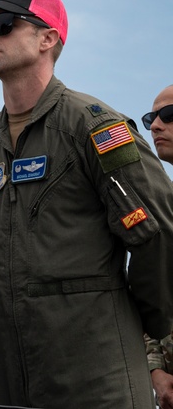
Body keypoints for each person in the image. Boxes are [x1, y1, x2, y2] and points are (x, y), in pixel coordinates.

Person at [0, 0, 173, 408]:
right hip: (10, 372)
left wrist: (154, 334)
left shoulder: (94, 127)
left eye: (3, 22)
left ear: (47, 38)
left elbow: (156, 233)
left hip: (96, 372)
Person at [143, 84, 173, 409]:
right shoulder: (163, 203)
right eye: (151, 116)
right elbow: (151, 293)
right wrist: (154, 369)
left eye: (169, 115)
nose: (154, 125)